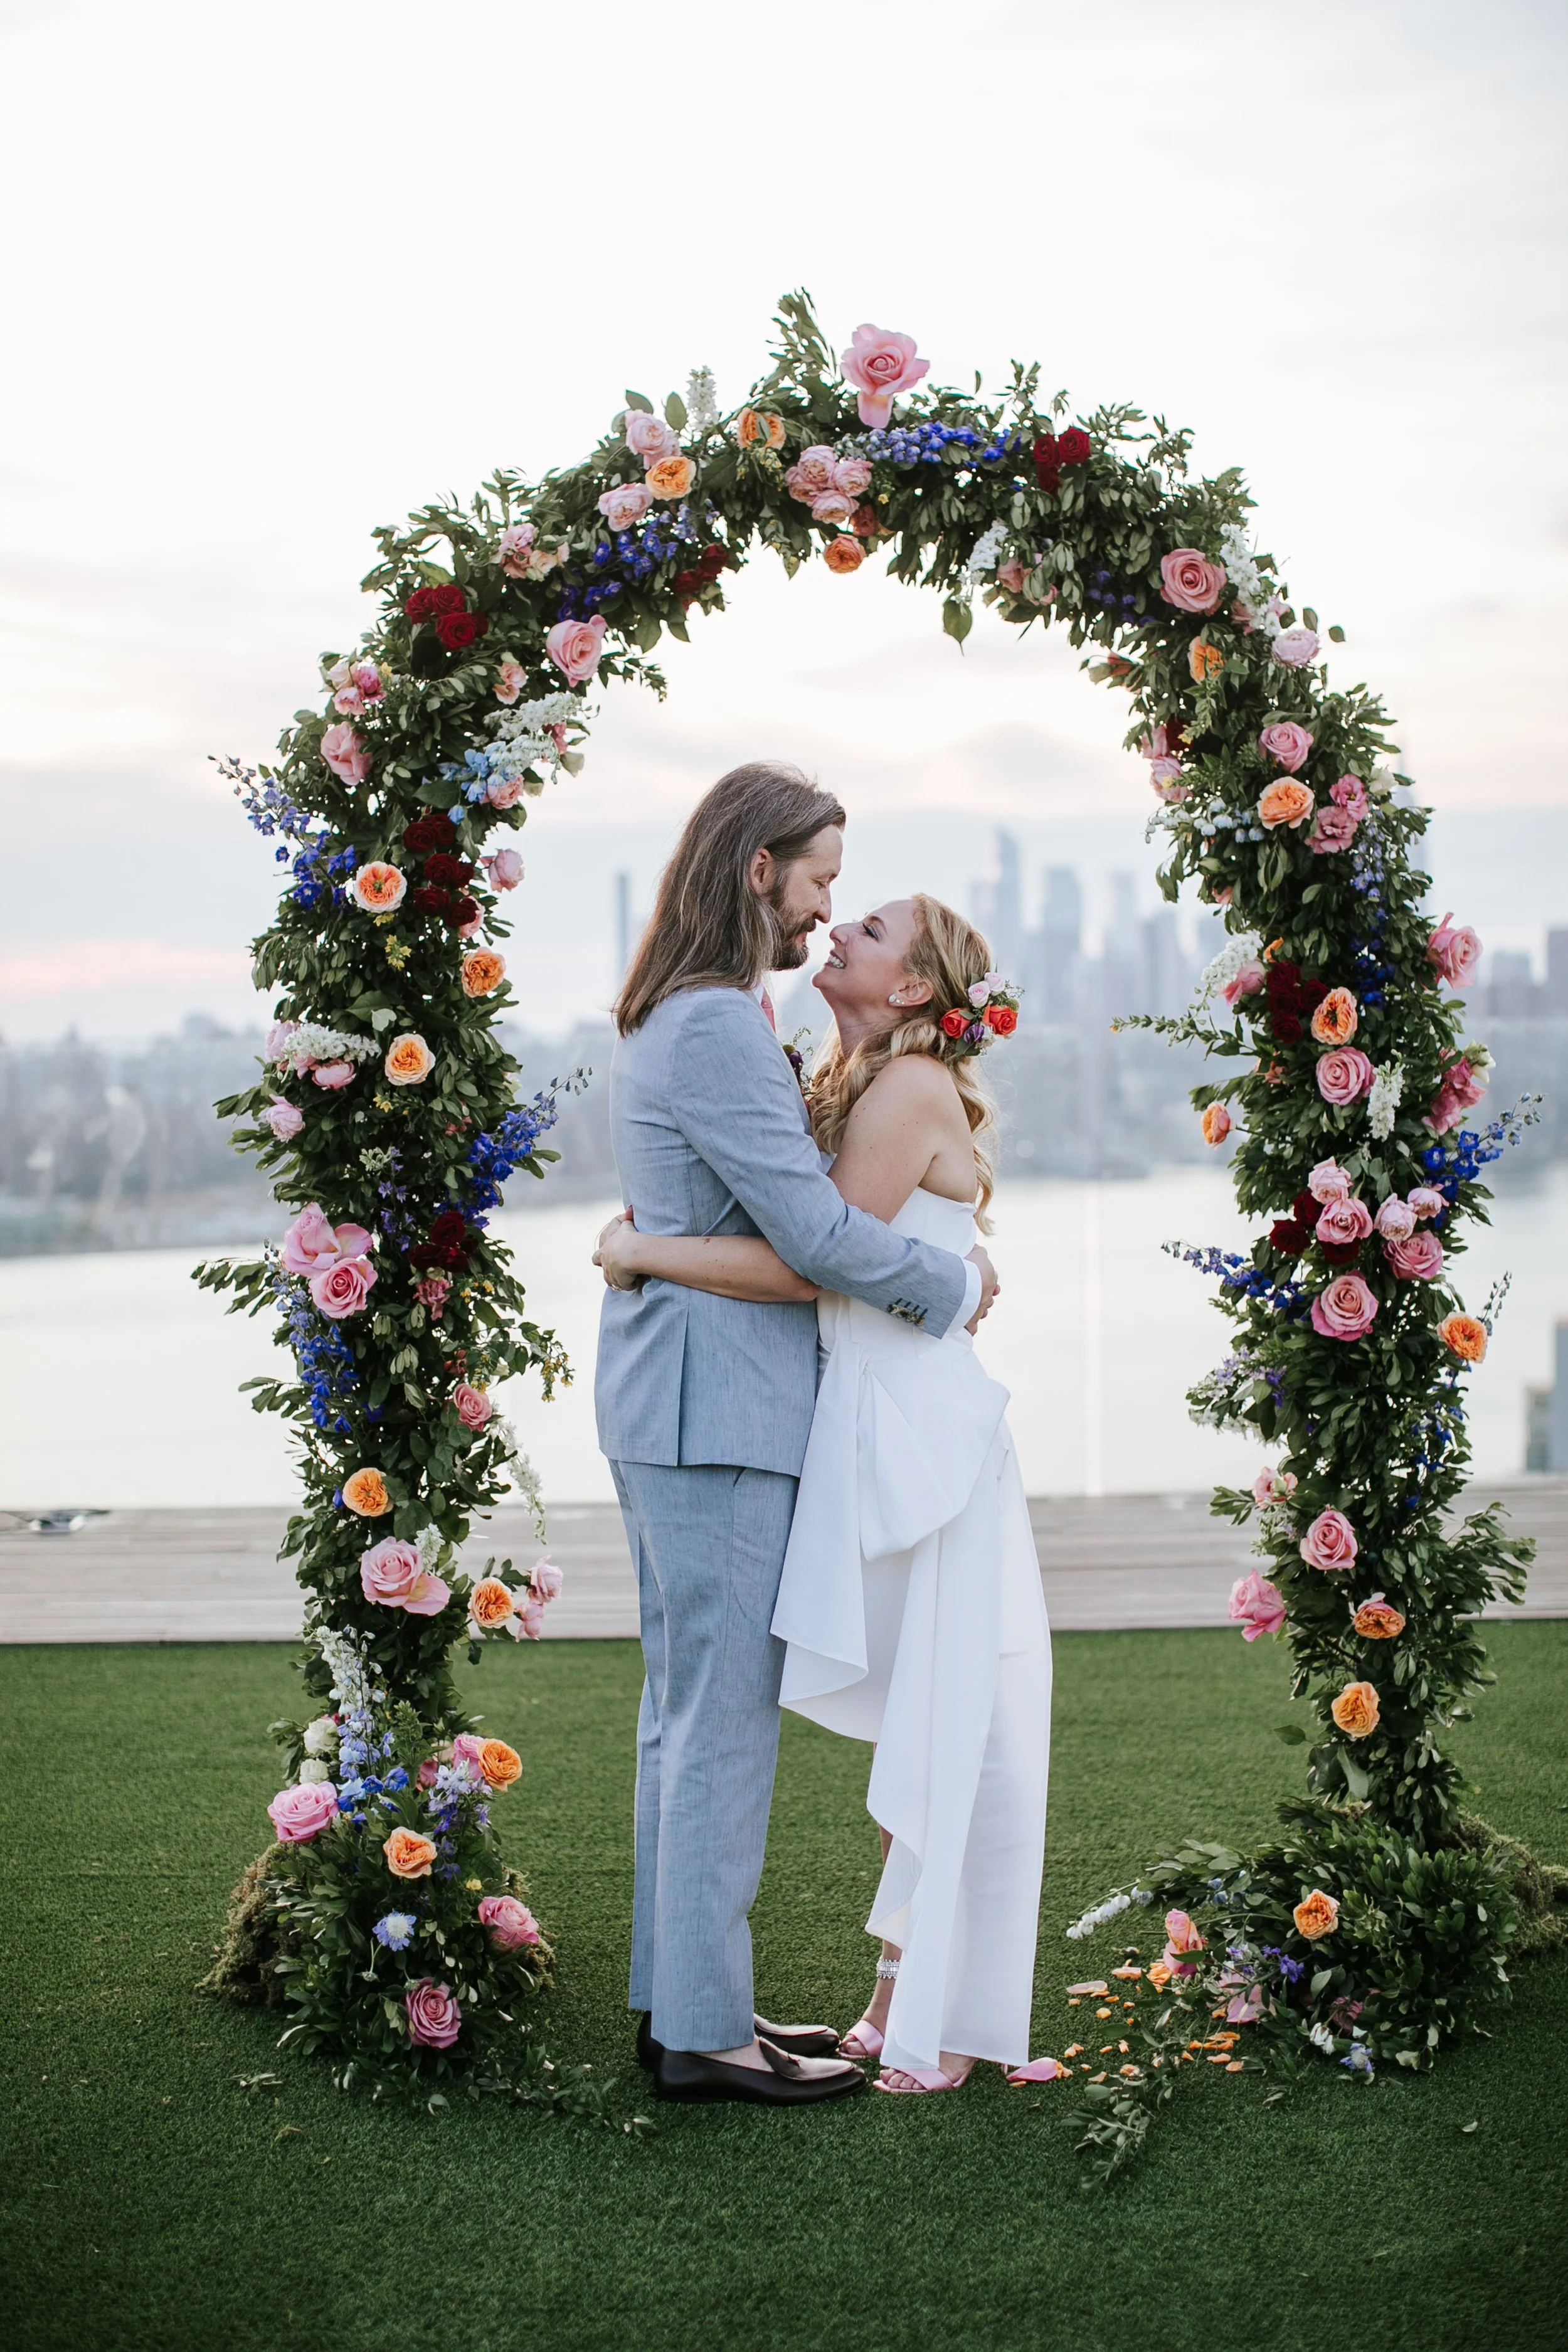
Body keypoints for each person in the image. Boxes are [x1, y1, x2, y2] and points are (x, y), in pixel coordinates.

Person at [599, 891, 1051, 2097]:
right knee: (928, 1720)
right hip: (865, 1425)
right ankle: (901, 1994)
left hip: (918, 1439)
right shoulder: (851, 1076)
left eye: (875, 927)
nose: (839, 925)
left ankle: (940, 2010)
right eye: (836, 904)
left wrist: (647, 1249)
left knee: (955, 1720)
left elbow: (817, 1259)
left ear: (913, 988)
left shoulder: (906, 1089)